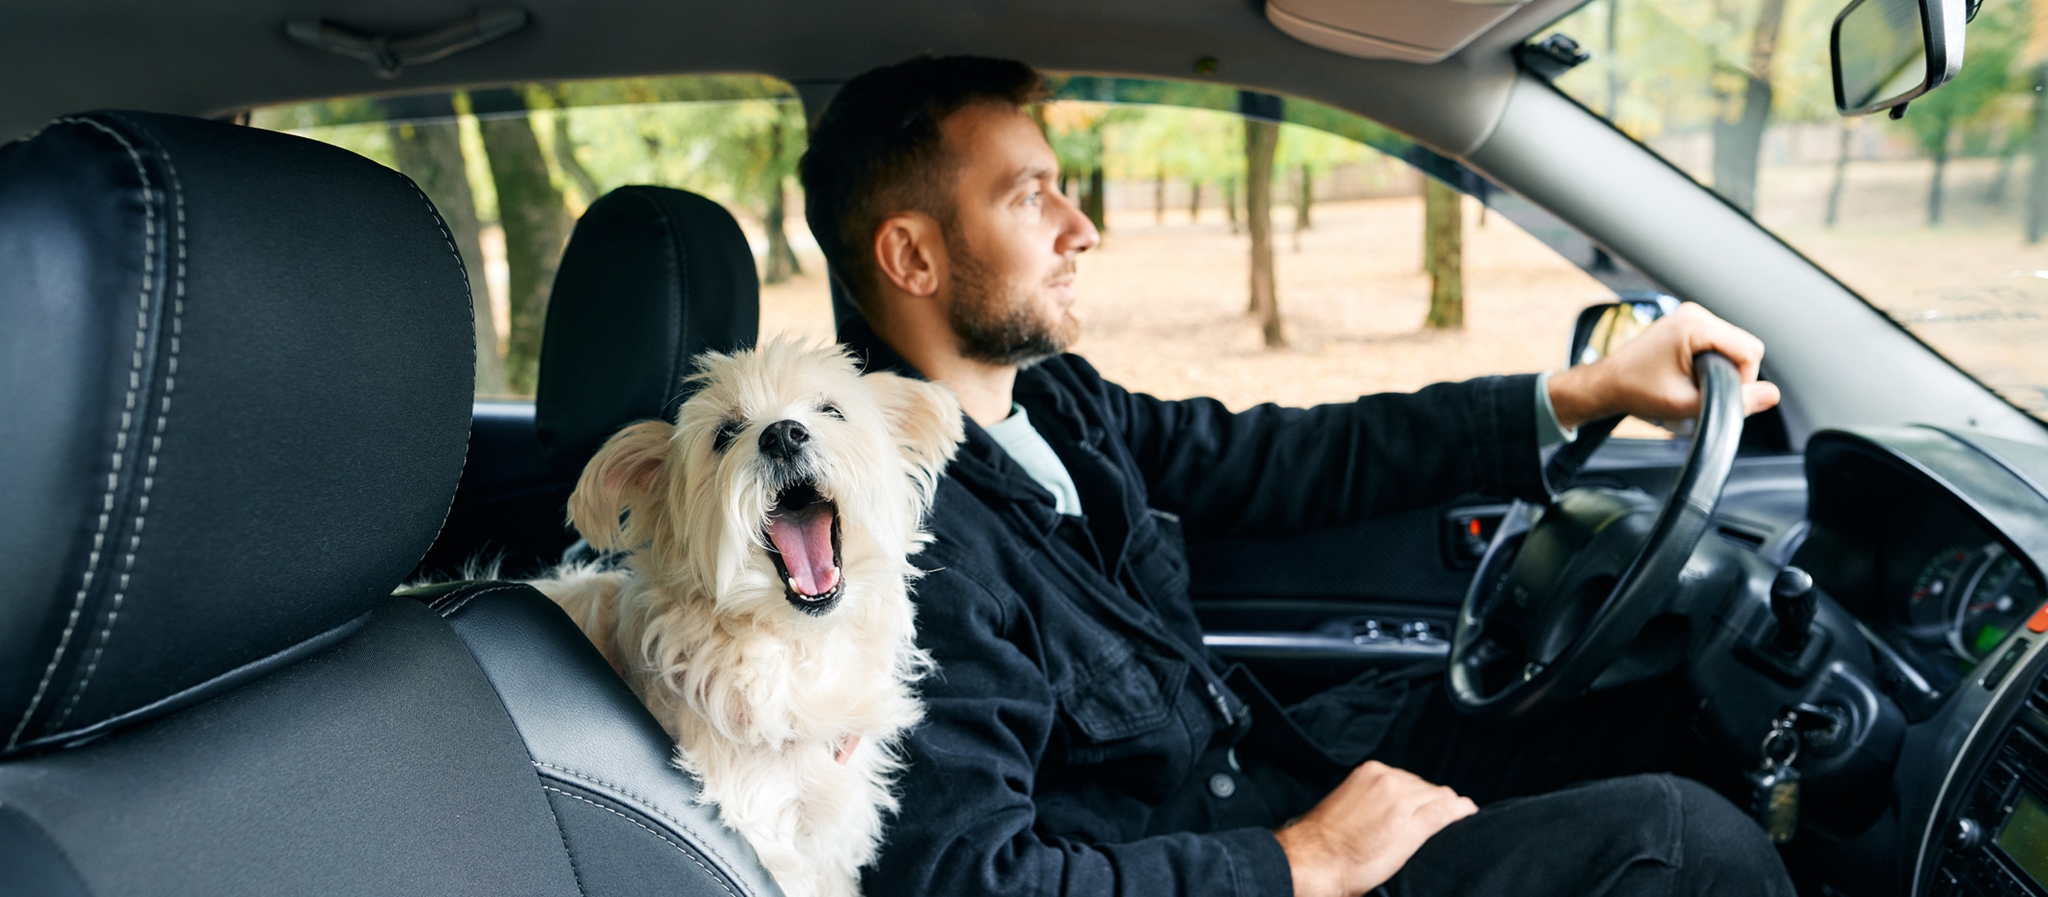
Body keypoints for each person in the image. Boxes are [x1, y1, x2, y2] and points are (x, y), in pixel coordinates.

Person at [797, 55, 1796, 897]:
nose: (1081, 227)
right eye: (1029, 196)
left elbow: (1290, 457)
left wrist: (1584, 391)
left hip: (1261, 777)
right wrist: (1294, 862)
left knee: (1650, 708)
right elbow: (976, 880)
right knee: (1683, 843)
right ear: (912, 256)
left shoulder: (1056, 407)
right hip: (1230, 858)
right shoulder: (898, 541)